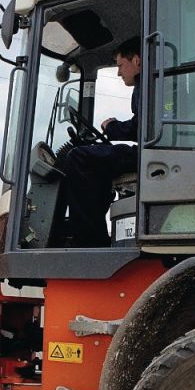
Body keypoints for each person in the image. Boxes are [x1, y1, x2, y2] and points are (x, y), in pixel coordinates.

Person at [62, 36, 141, 247]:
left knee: (78, 158)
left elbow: (140, 128)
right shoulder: (150, 85)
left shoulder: (147, 85)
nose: (119, 73)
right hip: (149, 150)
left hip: (149, 153)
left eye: (120, 65)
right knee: (99, 157)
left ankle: (88, 239)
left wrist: (112, 127)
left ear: (136, 60)